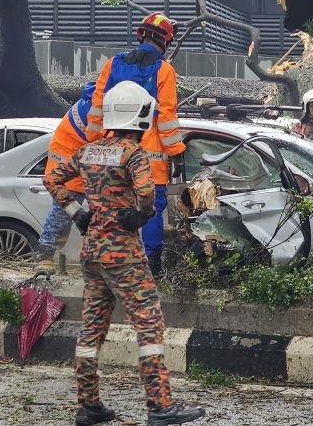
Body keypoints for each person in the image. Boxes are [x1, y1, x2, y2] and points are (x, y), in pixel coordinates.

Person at [44, 81, 205, 426]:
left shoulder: (88, 151)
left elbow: (53, 177)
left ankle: (88, 406)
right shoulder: (134, 155)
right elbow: (146, 191)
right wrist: (141, 214)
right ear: (142, 116)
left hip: (92, 254)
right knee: (149, 325)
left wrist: (76, 213)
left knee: (91, 329)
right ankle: (160, 406)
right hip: (125, 257)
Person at [85, 12, 186, 274]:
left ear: (141, 34)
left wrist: (95, 143)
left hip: (112, 153)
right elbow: (166, 117)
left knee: (113, 206)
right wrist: (176, 153)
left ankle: (110, 264)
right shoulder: (164, 70)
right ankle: (150, 267)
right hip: (151, 156)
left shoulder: (112, 65)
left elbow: (97, 108)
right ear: (164, 40)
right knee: (150, 211)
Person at [33, 81, 96, 274]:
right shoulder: (98, 107)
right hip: (71, 162)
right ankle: (44, 256)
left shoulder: (98, 99)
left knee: (68, 214)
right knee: (62, 215)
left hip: (78, 160)